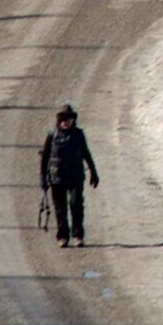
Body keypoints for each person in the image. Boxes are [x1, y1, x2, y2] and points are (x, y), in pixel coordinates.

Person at [38, 105, 99, 247]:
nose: (66, 122)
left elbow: (86, 153)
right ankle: (62, 237)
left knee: (76, 205)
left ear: (73, 120)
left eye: (69, 119)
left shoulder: (78, 135)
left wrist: (93, 171)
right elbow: (45, 157)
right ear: (59, 121)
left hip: (75, 176)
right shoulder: (52, 135)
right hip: (56, 177)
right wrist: (43, 177)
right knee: (60, 209)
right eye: (63, 119)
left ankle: (78, 236)